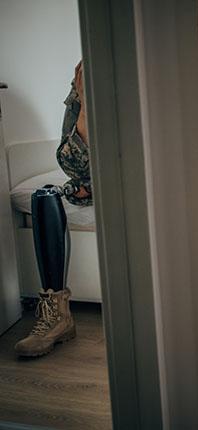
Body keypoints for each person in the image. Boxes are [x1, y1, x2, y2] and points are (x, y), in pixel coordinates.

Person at [14, 62, 91, 357]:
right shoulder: (83, 82)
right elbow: (70, 162)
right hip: (96, 179)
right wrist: (84, 104)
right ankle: (57, 315)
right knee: (46, 195)